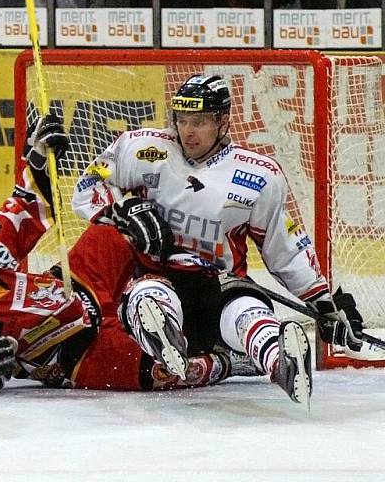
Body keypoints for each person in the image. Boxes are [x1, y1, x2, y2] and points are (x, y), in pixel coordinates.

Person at [71, 74, 366, 404]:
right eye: (182, 120)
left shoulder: (258, 175)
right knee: (148, 298)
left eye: (198, 122)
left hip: (218, 284)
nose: (187, 132)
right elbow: (88, 185)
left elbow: (285, 249)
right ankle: (167, 343)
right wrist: (123, 208)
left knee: (249, 311)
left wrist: (323, 304)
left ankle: (280, 362)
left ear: (223, 121)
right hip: (156, 273)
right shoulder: (140, 148)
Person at [0, 115, 244, 394]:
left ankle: (196, 279)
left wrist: (38, 159)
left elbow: (25, 207)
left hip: (74, 283)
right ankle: (233, 360)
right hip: (77, 352)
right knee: (162, 373)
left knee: (122, 227)